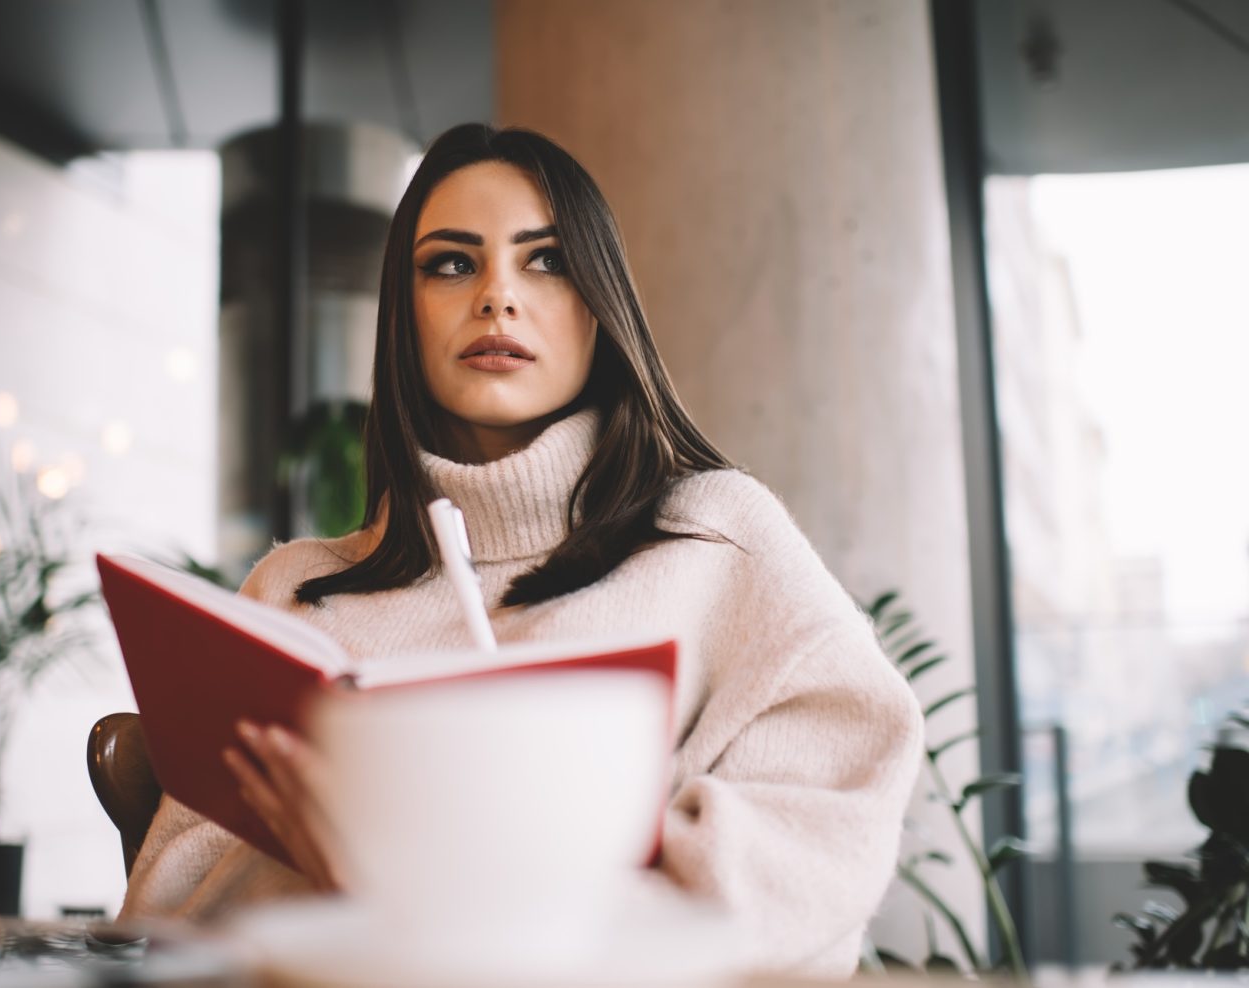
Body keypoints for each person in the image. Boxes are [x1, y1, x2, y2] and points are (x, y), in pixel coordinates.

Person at [119, 123, 923, 977]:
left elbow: (814, 853)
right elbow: (165, 921)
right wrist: (330, 868)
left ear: (598, 301)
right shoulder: (297, 593)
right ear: (405, 312)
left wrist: (430, 894)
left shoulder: (718, 541)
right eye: (452, 264)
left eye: (545, 259)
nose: (497, 295)